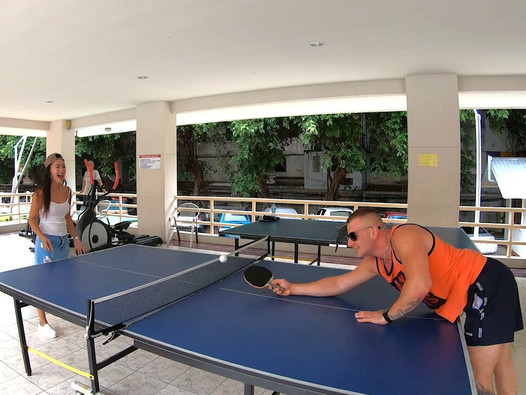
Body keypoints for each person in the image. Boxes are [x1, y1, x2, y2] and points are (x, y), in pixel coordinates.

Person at [271, 208, 523, 395]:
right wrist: (294, 288)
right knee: (501, 363)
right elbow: (338, 283)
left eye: (353, 237)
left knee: (477, 381)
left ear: (373, 230)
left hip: (485, 282)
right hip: (479, 287)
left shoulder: (404, 236)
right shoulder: (376, 263)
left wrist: (387, 315)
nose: (348, 243)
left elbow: (420, 285)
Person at [28, 153, 87, 338]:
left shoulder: (68, 191)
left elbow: (67, 217)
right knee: (43, 283)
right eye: (57, 166)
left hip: (62, 242)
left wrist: (76, 238)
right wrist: (42, 237)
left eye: (63, 166)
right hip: (46, 242)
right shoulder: (40, 193)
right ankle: (42, 322)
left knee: (62, 280)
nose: (61, 170)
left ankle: (59, 311)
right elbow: (31, 219)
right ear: (50, 170)